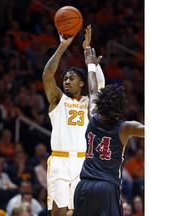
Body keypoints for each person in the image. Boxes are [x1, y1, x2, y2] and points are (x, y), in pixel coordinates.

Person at [73, 47, 144, 216]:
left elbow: (92, 90)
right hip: (106, 187)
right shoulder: (126, 128)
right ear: (120, 108)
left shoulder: (92, 114)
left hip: (83, 185)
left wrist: (91, 65)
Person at [42, 25, 104, 216]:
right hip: (60, 160)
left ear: (82, 83)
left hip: (82, 161)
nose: (67, 81)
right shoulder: (58, 101)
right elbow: (47, 76)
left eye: (71, 78)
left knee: (81, 211)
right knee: (59, 212)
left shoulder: (89, 103)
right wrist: (63, 46)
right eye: (65, 79)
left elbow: (100, 85)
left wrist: (91, 59)